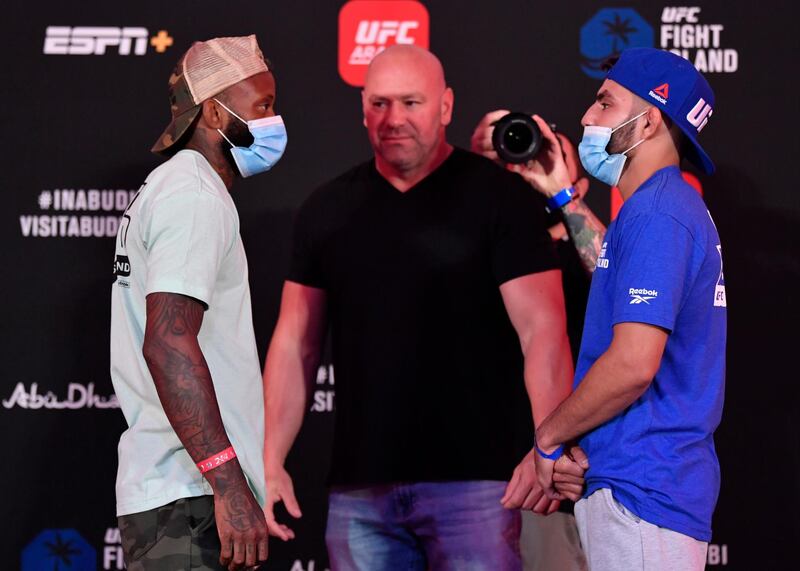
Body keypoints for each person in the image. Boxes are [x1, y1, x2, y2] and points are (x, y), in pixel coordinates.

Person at [261, 45, 581, 570]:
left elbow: (543, 334)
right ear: (362, 108)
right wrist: (270, 457)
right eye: (380, 104)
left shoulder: (502, 199)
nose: (395, 120)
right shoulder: (326, 209)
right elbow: (296, 342)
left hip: (480, 485)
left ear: (446, 106)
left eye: (412, 102)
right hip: (360, 490)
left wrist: (548, 447)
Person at [529, 47, 726, 570]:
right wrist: (562, 196)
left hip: (645, 491)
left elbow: (634, 364)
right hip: (639, 486)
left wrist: (550, 437)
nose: (587, 117)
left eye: (605, 104)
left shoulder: (660, 213)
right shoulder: (656, 209)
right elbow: (621, 285)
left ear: (648, 122)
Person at [110, 35, 287, 570]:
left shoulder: (174, 188)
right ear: (215, 111)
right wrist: (228, 483)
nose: (273, 122)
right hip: (192, 499)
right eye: (263, 106)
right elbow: (167, 343)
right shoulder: (193, 195)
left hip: (181, 494)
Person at [471, 122, 604, 571]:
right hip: (467, 485)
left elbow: (626, 286)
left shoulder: (582, 247)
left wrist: (562, 194)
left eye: (542, 155)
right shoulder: (468, 244)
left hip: (555, 484)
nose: (520, 169)